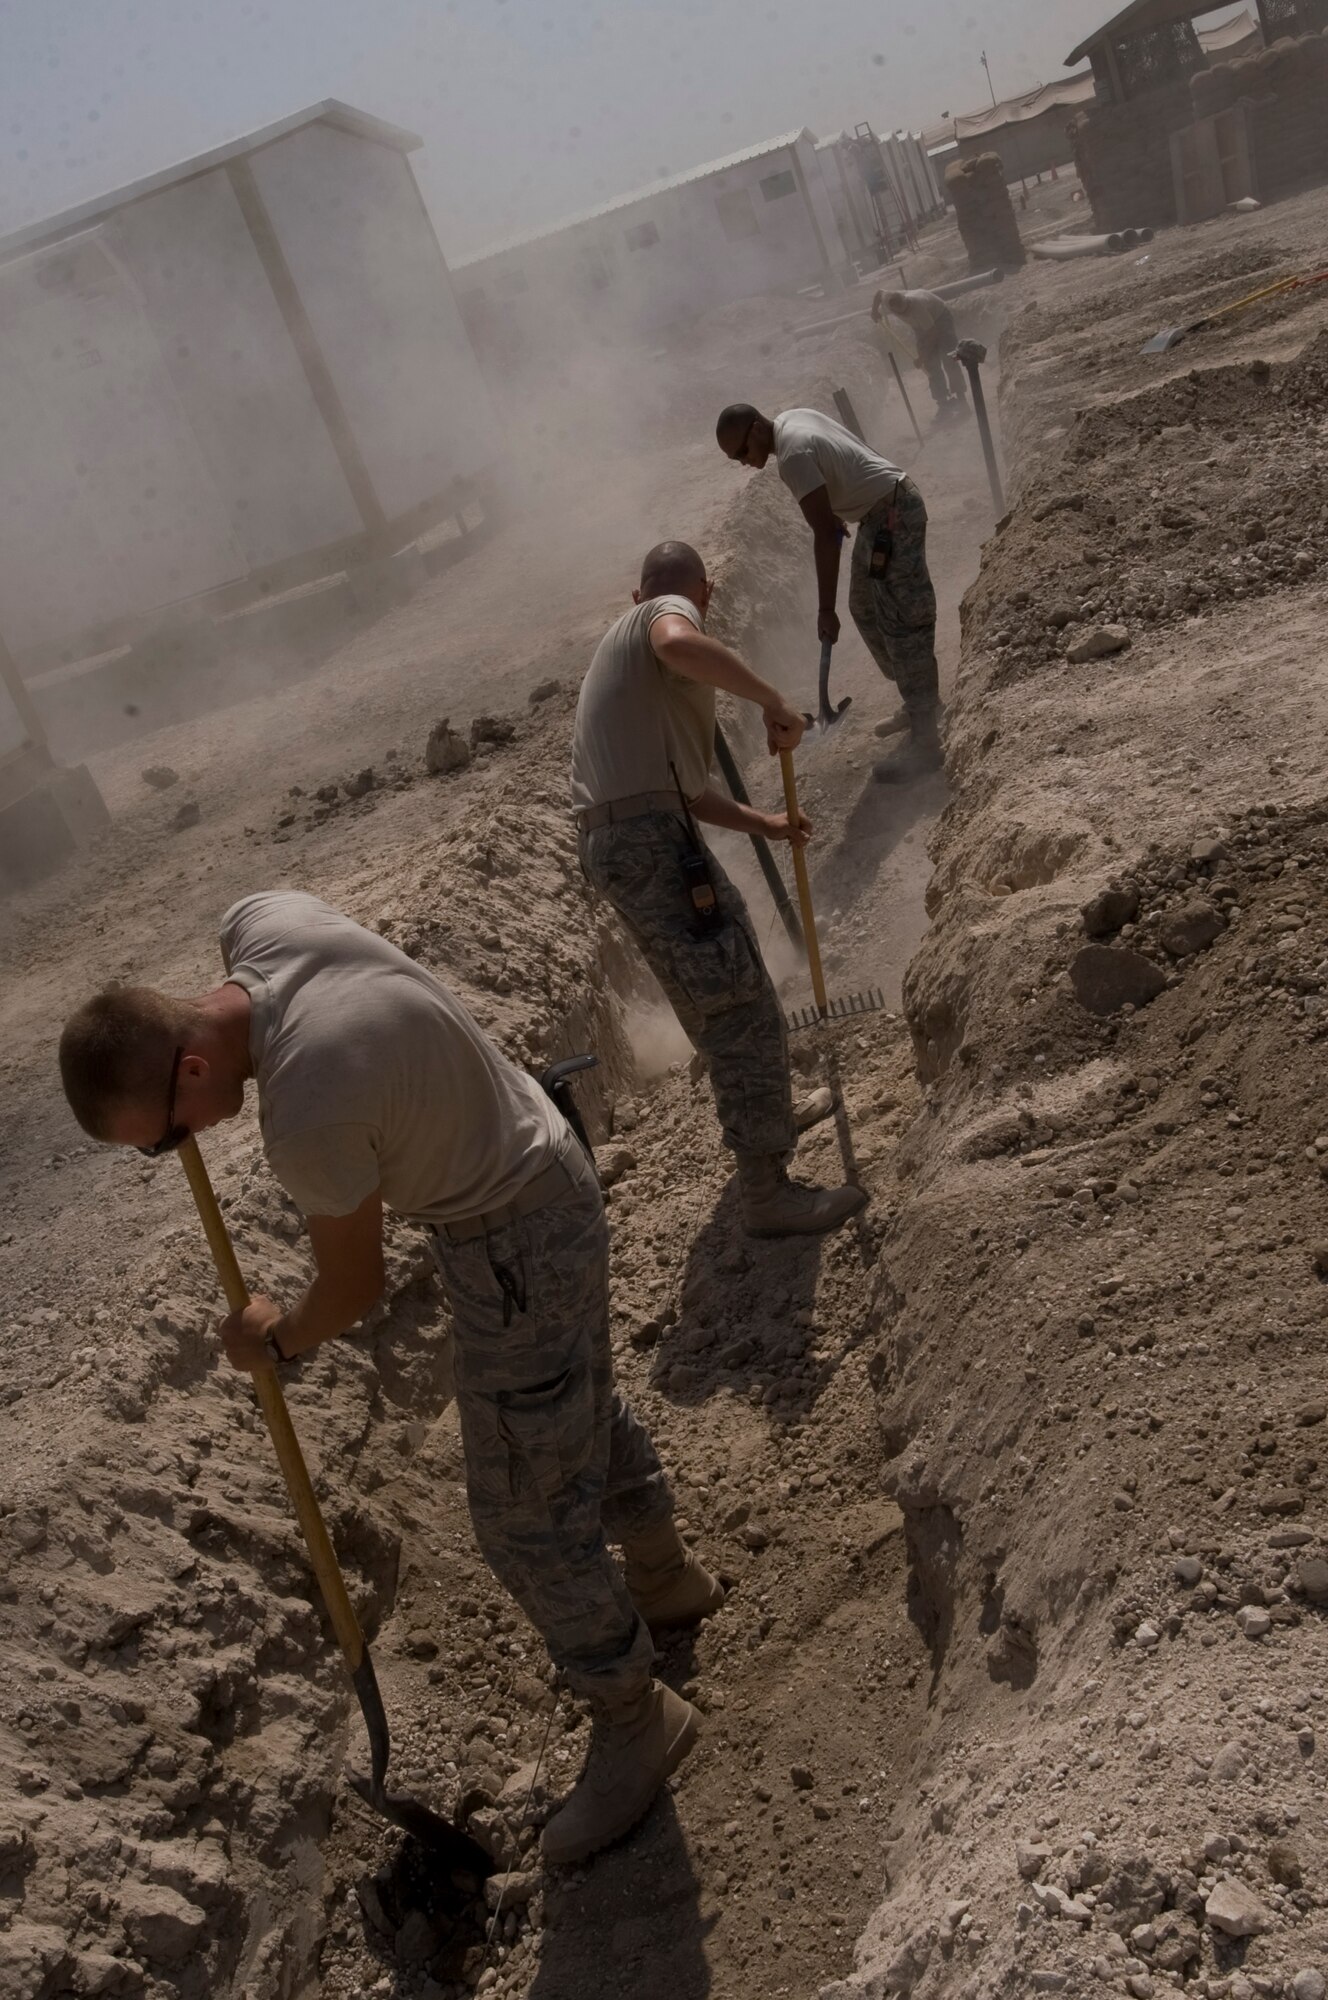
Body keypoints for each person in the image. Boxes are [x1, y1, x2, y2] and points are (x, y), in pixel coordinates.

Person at [57, 890, 725, 1867]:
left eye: (165, 1135)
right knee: (565, 1399)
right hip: (541, 1156)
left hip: (509, 1234)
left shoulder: (307, 1110)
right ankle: (664, 1576)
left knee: (520, 1514)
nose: (180, 1148)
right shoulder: (265, 923)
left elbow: (354, 1285)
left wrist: (272, 1338)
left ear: (191, 1067)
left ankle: (634, 1715)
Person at [572, 539, 867, 1238]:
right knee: (736, 1002)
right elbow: (680, 642)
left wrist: (764, 823)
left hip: (635, 837)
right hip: (646, 842)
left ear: (633, 592)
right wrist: (773, 700)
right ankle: (767, 1191)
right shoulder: (668, 618)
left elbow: (688, 791)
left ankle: (768, 1106)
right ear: (699, 594)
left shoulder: (629, 657)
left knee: (723, 995)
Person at [716, 405, 942, 783]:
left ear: (756, 429)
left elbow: (824, 535)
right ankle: (916, 695)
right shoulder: (792, 418)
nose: (742, 462)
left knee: (900, 620)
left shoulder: (792, 456)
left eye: (741, 452)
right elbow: (837, 465)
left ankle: (926, 738)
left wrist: (824, 609)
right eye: (734, 459)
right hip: (880, 511)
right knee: (865, 607)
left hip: (893, 513)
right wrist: (836, 509)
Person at [875, 288, 968, 416]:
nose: (905, 313)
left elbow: (933, 333)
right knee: (930, 366)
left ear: (906, 302)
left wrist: (922, 357)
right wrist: (873, 311)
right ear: (892, 309)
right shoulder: (888, 299)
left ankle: (962, 401)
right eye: (902, 313)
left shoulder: (917, 308)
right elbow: (879, 292)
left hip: (940, 318)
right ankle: (943, 404)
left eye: (907, 310)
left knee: (949, 359)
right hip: (920, 326)